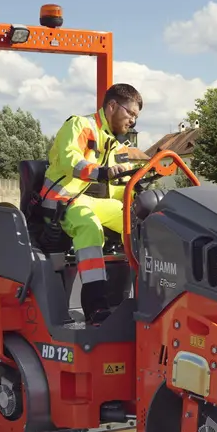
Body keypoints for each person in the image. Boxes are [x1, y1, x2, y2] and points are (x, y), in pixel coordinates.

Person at [37, 83, 144, 323]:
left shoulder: (115, 143)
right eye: (131, 114)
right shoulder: (79, 125)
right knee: (89, 226)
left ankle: (149, 298)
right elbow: (70, 160)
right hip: (63, 200)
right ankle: (95, 306)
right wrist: (101, 172)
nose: (133, 122)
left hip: (90, 201)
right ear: (112, 106)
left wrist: (137, 192)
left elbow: (120, 183)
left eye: (136, 117)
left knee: (137, 221)